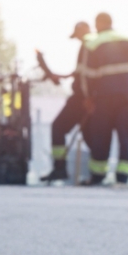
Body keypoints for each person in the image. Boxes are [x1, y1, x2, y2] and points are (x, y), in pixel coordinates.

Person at [78, 12, 128, 186]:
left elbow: (87, 75)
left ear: (98, 24)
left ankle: (97, 176)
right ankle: (123, 177)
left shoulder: (93, 43)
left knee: (101, 136)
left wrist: (88, 97)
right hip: (125, 96)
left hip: (103, 98)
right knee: (125, 137)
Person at [38, 20, 92, 183]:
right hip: (86, 97)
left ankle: (60, 168)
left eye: (78, 35)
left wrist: (88, 97)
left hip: (82, 98)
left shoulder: (88, 45)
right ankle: (95, 174)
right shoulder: (89, 46)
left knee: (58, 127)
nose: (77, 39)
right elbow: (79, 73)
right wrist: (59, 76)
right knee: (90, 135)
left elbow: (85, 76)